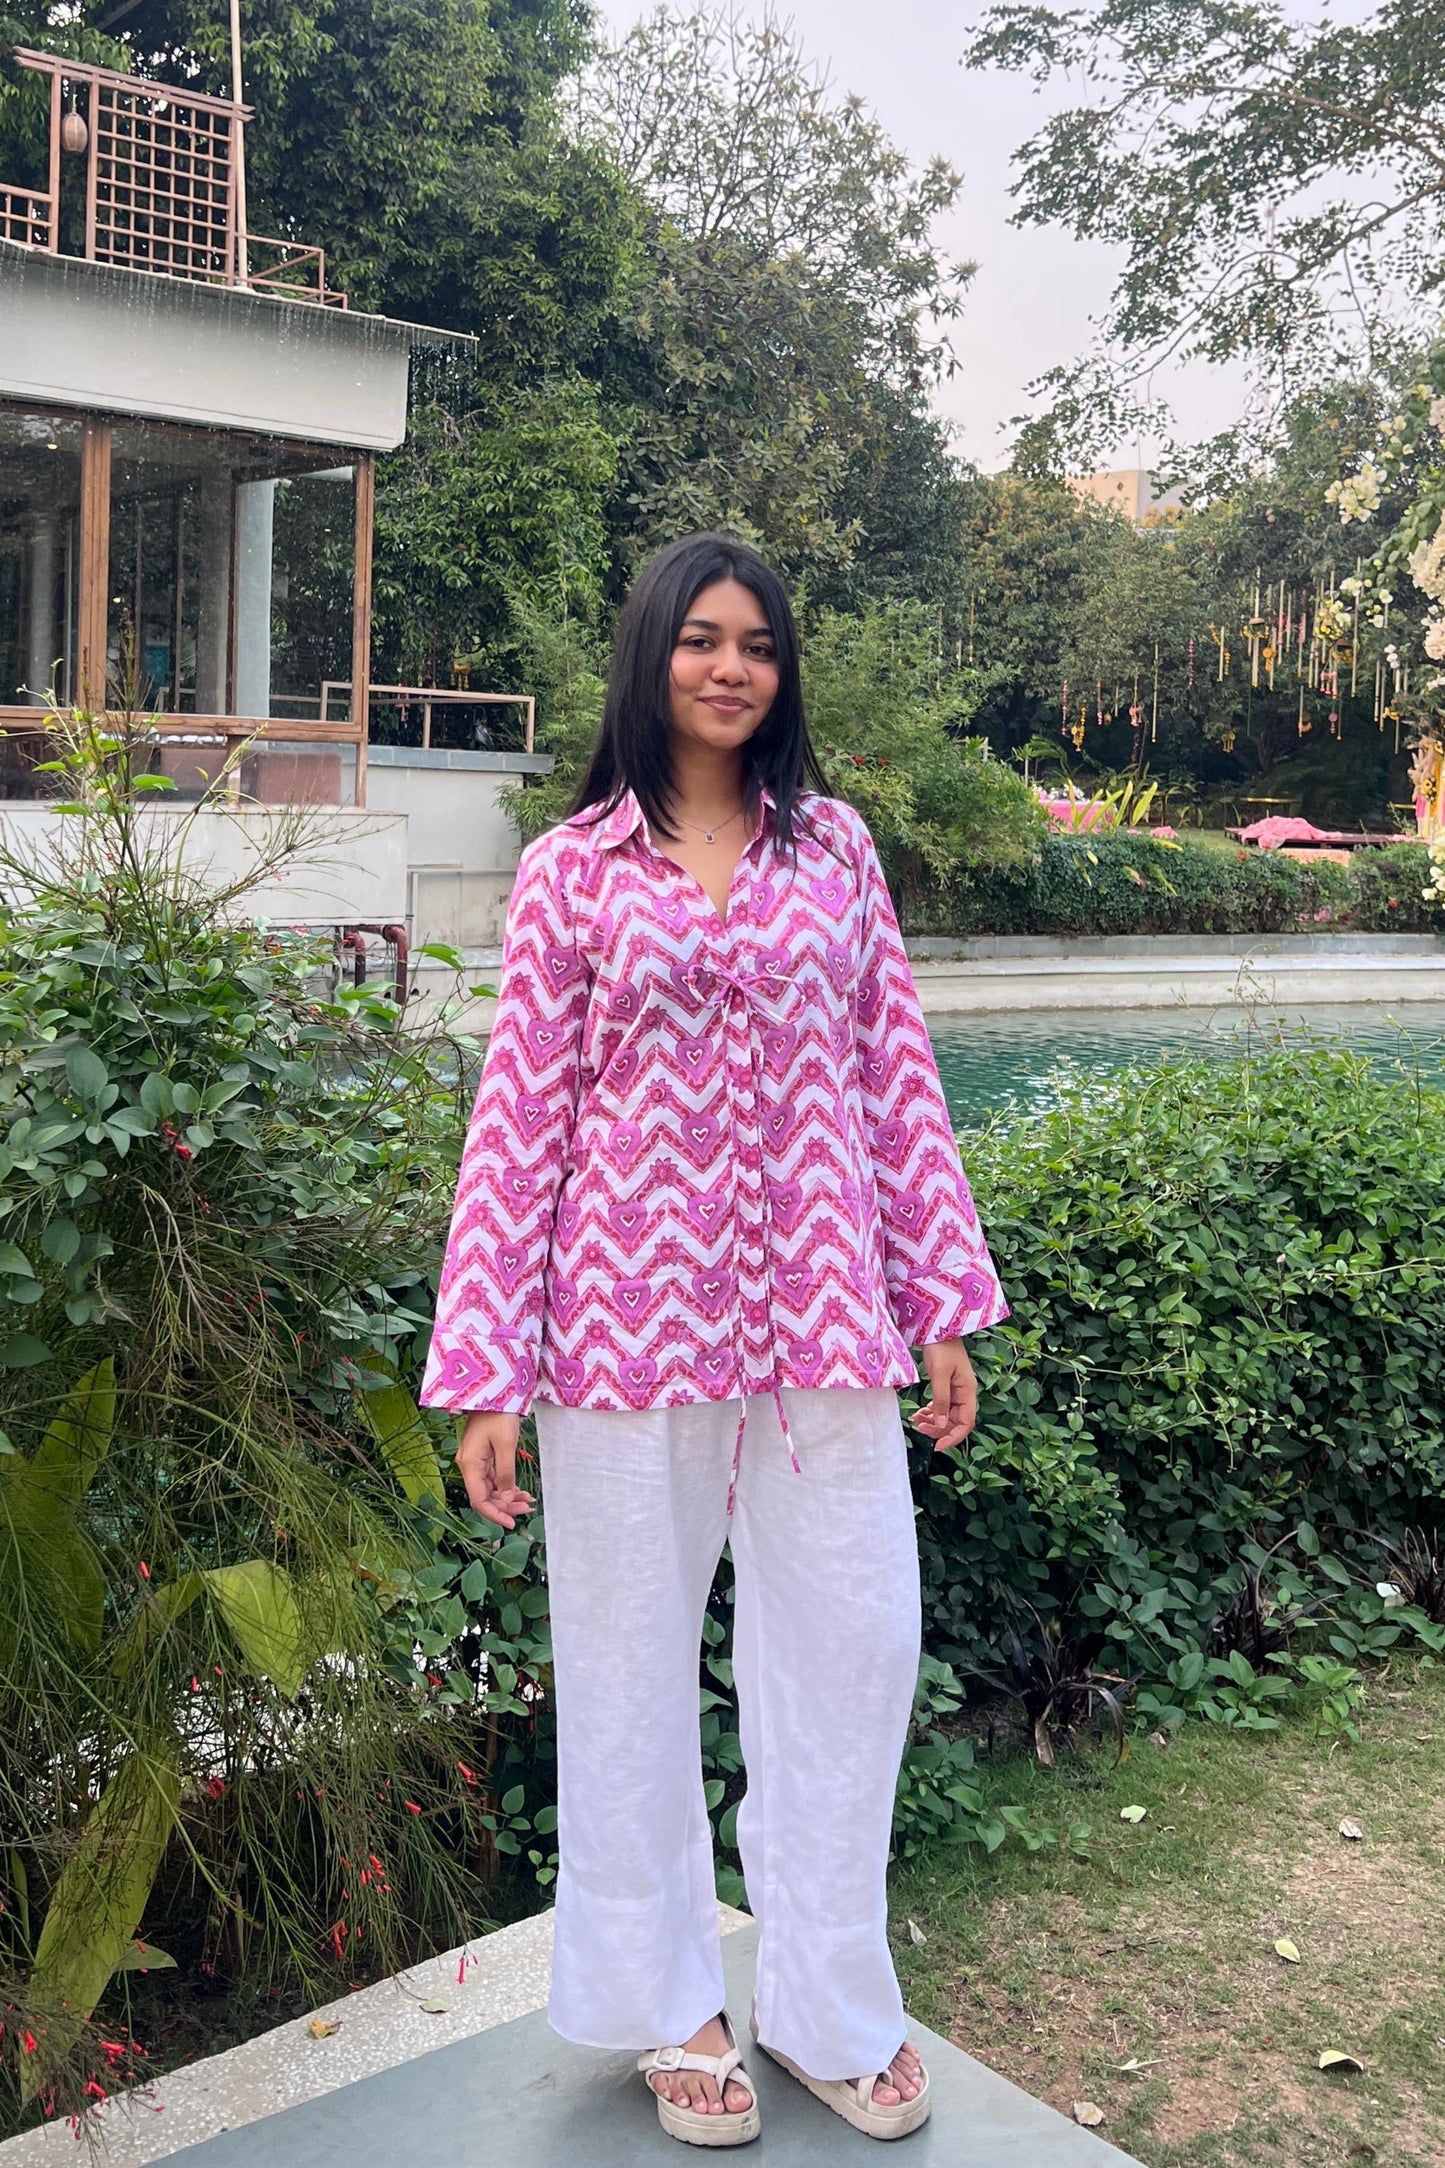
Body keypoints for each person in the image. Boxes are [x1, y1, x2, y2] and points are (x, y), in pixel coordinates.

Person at [421, 532, 1007, 2147]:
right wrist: (481, 1369)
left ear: (781, 668)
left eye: (755, 642)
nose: (729, 666)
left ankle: (825, 2000)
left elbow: (897, 1084)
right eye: (699, 638)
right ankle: (666, 1995)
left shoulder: (836, 854)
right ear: (650, 658)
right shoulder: (569, 872)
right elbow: (516, 1124)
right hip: (615, 1329)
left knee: (855, 1644)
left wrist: (942, 1300)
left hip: (823, 1316)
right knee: (622, 1668)